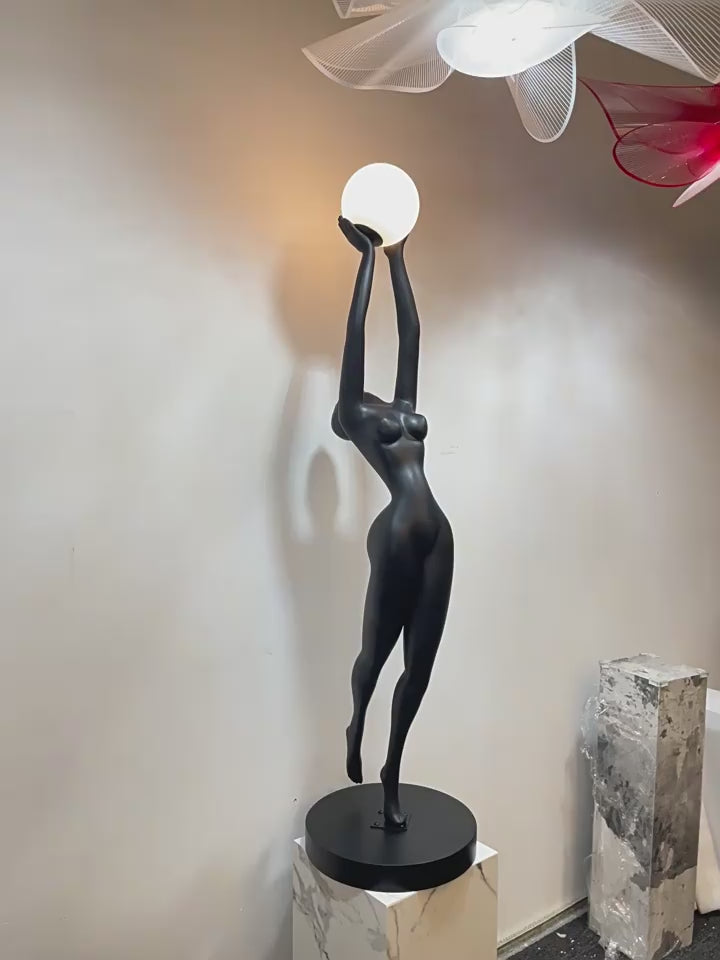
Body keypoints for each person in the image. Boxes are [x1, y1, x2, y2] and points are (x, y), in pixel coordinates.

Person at [333, 216, 454, 830]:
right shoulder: (355, 414)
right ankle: (357, 722)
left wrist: (398, 258)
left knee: (420, 666)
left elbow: (411, 333)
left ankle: (391, 773)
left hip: (437, 529)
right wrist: (364, 260)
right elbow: (355, 334)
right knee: (376, 656)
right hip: (398, 530)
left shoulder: (404, 406)